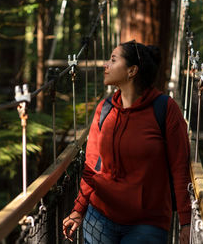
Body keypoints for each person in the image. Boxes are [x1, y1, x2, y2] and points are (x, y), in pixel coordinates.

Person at [62, 40, 191, 244]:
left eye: (113, 60)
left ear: (132, 71)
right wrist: (78, 209)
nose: (106, 65)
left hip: (147, 223)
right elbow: (90, 167)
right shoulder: (104, 109)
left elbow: (179, 168)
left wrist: (186, 222)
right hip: (99, 217)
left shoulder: (166, 109)